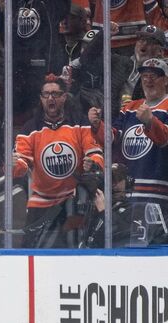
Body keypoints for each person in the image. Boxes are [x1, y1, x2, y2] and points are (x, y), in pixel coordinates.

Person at [15, 74, 104, 248]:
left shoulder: (79, 123)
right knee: (30, 248)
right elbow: (21, 161)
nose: (50, 98)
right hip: (41, 200)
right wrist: (15, 165)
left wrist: (92, 163)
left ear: (64, 97)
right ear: (41, 98)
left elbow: (95, 152)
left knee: (74, 245)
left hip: (73, 199)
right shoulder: (30, 128)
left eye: (55, 94)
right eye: (46, 94)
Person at [88, 58, 168, 245]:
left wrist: (150, 122)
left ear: (165, 80)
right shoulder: (130, 108)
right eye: (144, 76)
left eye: (154, 76)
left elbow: (165, 141)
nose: (148, 81)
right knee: (128, 242)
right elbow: (113, 138)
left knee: (156, 245)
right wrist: (98, 125)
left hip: (159, 193)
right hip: (128, 194)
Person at [80, 163, 137, 248]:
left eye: (117, 179)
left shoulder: (132, 210)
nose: (112, 183)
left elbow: (124, 236)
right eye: (109, 179)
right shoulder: (93, 208)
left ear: (128, 182)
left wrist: (104, 212)